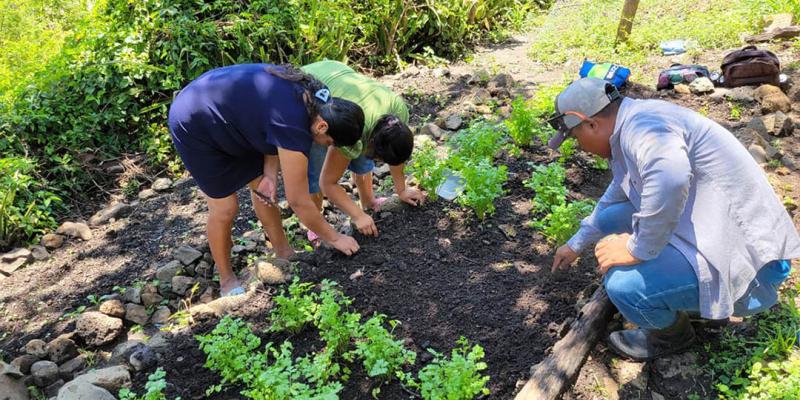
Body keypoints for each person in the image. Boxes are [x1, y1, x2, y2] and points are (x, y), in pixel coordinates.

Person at [548, 77, 800, 361]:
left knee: (622, 286)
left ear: (591, 123)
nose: (580, 146)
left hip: (755, 270)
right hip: (718, 231)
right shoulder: (634, 121)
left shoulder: (644, 129)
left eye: (575, 137)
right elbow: (617, 192)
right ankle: (681, 292)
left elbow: (671, 179)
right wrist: (576, 243)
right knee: (611, 217)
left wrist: (635, 249)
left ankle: (671, 336)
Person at [168, 63, 365, 296]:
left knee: (263, 186)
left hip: (234, 118)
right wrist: (335, 238)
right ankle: (226, 279)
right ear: (322, 127)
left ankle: (283, 253)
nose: (325, 147)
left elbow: (270, 119)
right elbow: (298, 201)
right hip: (195, 122)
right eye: (329, 142)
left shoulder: (320, 101)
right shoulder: (294, 121)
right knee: (225, 208)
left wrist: (270, 174)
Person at [301, 60, 425, 238]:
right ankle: (317, 225)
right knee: (315, 170)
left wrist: (402, 190)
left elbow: (396, 154)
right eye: (379, 159)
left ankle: (368, 202)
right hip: (310, 88)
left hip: (338, 76)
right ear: (372, 143)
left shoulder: (398, 116)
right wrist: (357, 216)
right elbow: (327, 183)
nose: (380, 162)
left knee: (362, 159)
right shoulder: (348, 131)